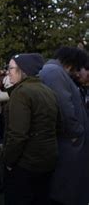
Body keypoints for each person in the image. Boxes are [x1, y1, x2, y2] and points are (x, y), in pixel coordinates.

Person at [3, 53, 59, 205]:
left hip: (26, 164)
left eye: (11, 68)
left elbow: (17, 135)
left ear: (23, 70)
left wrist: (8, 161)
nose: (8, 72)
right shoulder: (47, 90)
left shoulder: (21, 92)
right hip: (47, 160)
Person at [39, 47, 89, 205]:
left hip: (69, 143)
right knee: (66, 191)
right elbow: (65, 108)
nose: (79, 73)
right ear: (72, 64)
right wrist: (77, 132)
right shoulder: (55, 73)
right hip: (69, 145)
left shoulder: (54, 71)